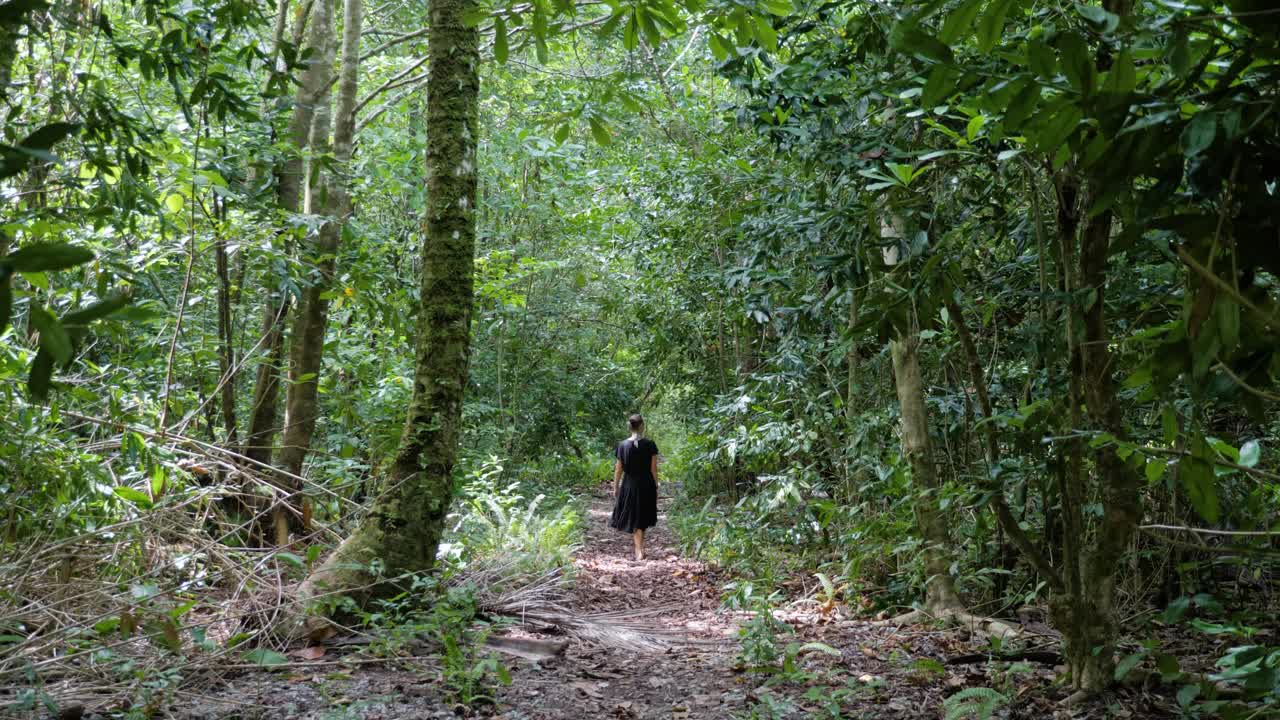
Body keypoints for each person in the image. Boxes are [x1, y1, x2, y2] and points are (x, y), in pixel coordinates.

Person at [610, 413, 659, 560]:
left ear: (629, 427)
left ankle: (639, 549)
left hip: (629, 484)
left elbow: (618, 469)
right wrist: (655, 485)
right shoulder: (650, 445)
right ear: (642, 426)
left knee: (635, 515)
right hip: (646, 483)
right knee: (641, 515)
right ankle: (639, 549)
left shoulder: (622, 446)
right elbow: (653, 469)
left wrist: (615, 486)